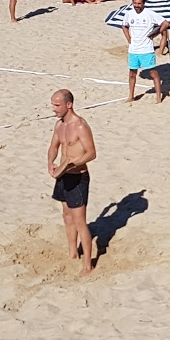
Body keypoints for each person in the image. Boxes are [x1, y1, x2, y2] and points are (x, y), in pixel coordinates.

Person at [47, 90, 98, 271]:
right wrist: (51, 162)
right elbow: (53, 146)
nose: (54, 109)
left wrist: (72, 163)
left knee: (79, 221)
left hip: (78, 177)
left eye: (57, 105)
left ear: (69, 105)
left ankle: (88, 265)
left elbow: (91, 153)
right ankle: (73, 253)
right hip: (63, 175)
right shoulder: (59, 125)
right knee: (67, 216)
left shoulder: (80, 126)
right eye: (53, 105)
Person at [121, 0, 166, 104]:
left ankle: (158, 98)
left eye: (139, 3)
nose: (137, 5)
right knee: (132, 73)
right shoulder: (129, 14)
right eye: (135, 3)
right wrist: (128, 38)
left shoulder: (150, 13)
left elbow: (165, 23)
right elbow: (124, 25)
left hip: (146, 49)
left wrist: (154, 34)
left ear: (144, 3)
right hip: (133, 49)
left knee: (153, 73)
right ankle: (131, 96)